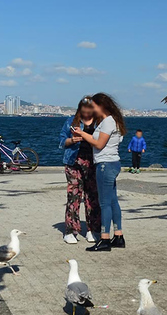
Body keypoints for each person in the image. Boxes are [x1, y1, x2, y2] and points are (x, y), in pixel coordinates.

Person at [72, 93, 126, 252]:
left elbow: (99, 144)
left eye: (94, 106)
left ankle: (104, 239)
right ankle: (118, 235)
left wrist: (82, 134)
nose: (92, 109)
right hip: (113, 163)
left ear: (101, 106)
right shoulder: (113, 121)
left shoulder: (108, 122)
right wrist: (85, 136)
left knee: (104, 203)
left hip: (105, 165)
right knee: (113, 201)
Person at [58, 96, 101, 245]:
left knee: (92, 197)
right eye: (84, 111)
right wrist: (72, 140)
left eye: (90, 110)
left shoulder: (99, 122)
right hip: (73, 162)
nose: (87, 114)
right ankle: (70, 230)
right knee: (74, 196)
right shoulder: (71, 121)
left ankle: (93, 230)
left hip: (93, 163)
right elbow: (62, 141)